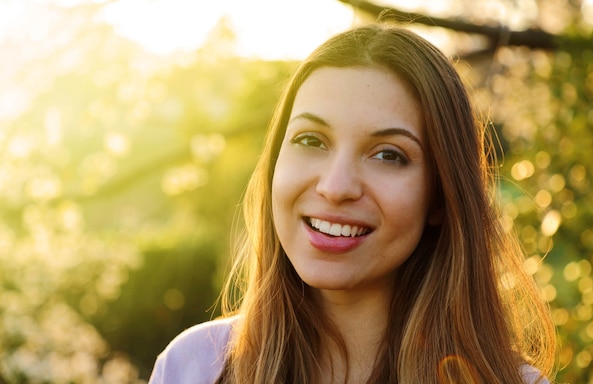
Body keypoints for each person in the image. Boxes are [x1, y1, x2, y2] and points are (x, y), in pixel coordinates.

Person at [149, 24, 556, 384]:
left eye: (388, 154)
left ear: (440, 197)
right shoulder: (193, 368)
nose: (335, 186)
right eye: (310, 140)